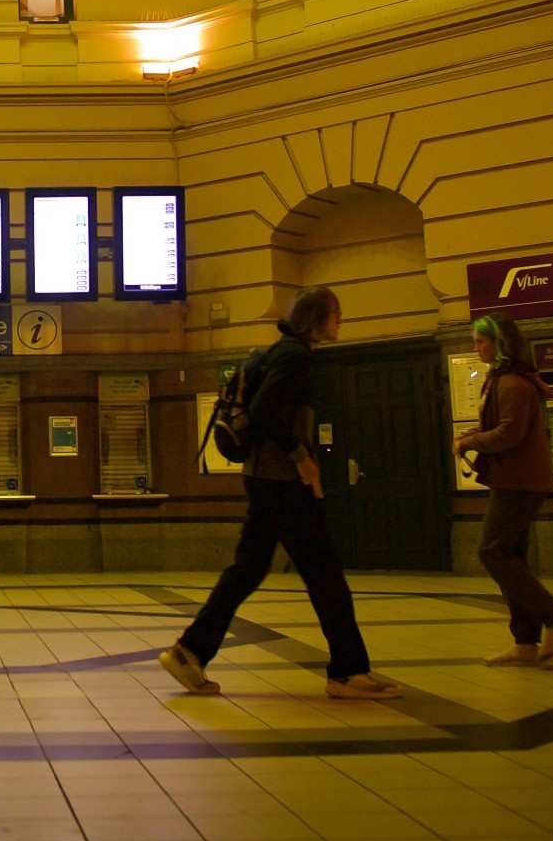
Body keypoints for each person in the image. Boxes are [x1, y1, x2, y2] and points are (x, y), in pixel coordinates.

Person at [159, 286, 401, 701]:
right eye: (336, 314)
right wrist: (301, 458)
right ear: (318, 319)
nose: (340, 323)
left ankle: (190, 652)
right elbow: (269, 412)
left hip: (262, 477)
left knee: (247, 570)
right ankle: (348, 671)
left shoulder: (277, 352)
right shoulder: (296, 356)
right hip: (284, 482)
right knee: (325, 574)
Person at [455, 314, 553, 665]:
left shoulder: (512, 384)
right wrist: (474, 435)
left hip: (518, 482)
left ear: (501, 344)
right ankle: (525, 642)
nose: (476, 346)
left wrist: (470, 443)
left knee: (492, 552)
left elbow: (510, 433)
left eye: (481, 341)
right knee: (512, 557)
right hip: (515, 478)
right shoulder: (504, 380)